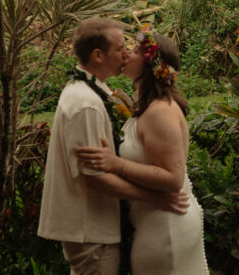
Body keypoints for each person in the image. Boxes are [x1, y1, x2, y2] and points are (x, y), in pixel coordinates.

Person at [39, 17, 189, 275]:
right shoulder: (86, 102)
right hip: (91, 230)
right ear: (98, 55)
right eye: (120, 48)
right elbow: (95, 178)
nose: (126, 53)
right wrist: (156, 198)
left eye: (130, 49)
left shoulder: (97, 94)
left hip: (108, 228)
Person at [76, 27, 209, 275]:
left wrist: (116, 164)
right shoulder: (146, 106)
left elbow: (173, 178)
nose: (126, 54)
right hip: (155, 221)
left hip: (167, 226)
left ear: (152, 64)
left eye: (135, 50)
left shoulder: (160, 111)